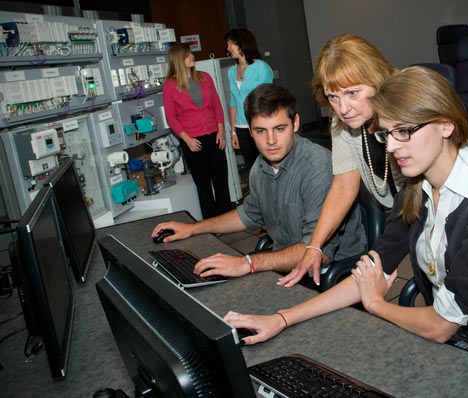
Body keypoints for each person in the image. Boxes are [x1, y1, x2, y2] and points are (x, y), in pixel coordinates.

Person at [224, 67, 468, 374]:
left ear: (446, 125)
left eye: (404, 131)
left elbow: (441, 325)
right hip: (456, 345)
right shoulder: (415, 188)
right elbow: (370, 272)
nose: (392, 146)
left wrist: (377, 304)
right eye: (387, 133)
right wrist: (282, 319)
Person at [152, 84, 366, 279]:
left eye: (279, 129)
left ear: (296, 123)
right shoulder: (260, 167)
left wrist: (246, 263)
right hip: (286, 263)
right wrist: (194, 228)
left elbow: (317, 252)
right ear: (250, 131)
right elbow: (248, 215)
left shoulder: (317, 168)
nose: (271, 141)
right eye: (260, 131)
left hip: (331, 273)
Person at [279, 34, 404, 288]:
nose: (343, 108)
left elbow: (425, 196)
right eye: (333, 97)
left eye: (352, 93)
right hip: (407, 210)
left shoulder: (406, 111)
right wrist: (314, 246)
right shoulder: (343, 123)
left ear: (377, 80)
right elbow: (344, 186)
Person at [163, 43, 230, 219]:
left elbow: (217, 105)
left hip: (214, 136)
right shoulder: (170, 85)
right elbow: (171, 117)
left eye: (191, 54)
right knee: (204, 185)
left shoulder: (205, 78)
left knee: (221, 181)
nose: (192, 56)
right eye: (187, 55)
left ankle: (228, 218)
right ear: (179, 60)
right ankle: (212, 223)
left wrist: (221, 131)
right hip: (193, 140)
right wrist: (187, 139)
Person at [225, 28, 274, 170]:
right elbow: (233, 102)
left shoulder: (261, 68)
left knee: (267, 165)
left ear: (241, 44)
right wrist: (233, 131)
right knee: (252, 168)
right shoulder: (231, 72)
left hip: (260, 125)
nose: (228, 48)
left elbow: (268, 100)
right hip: (241, 128)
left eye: (230, 44)